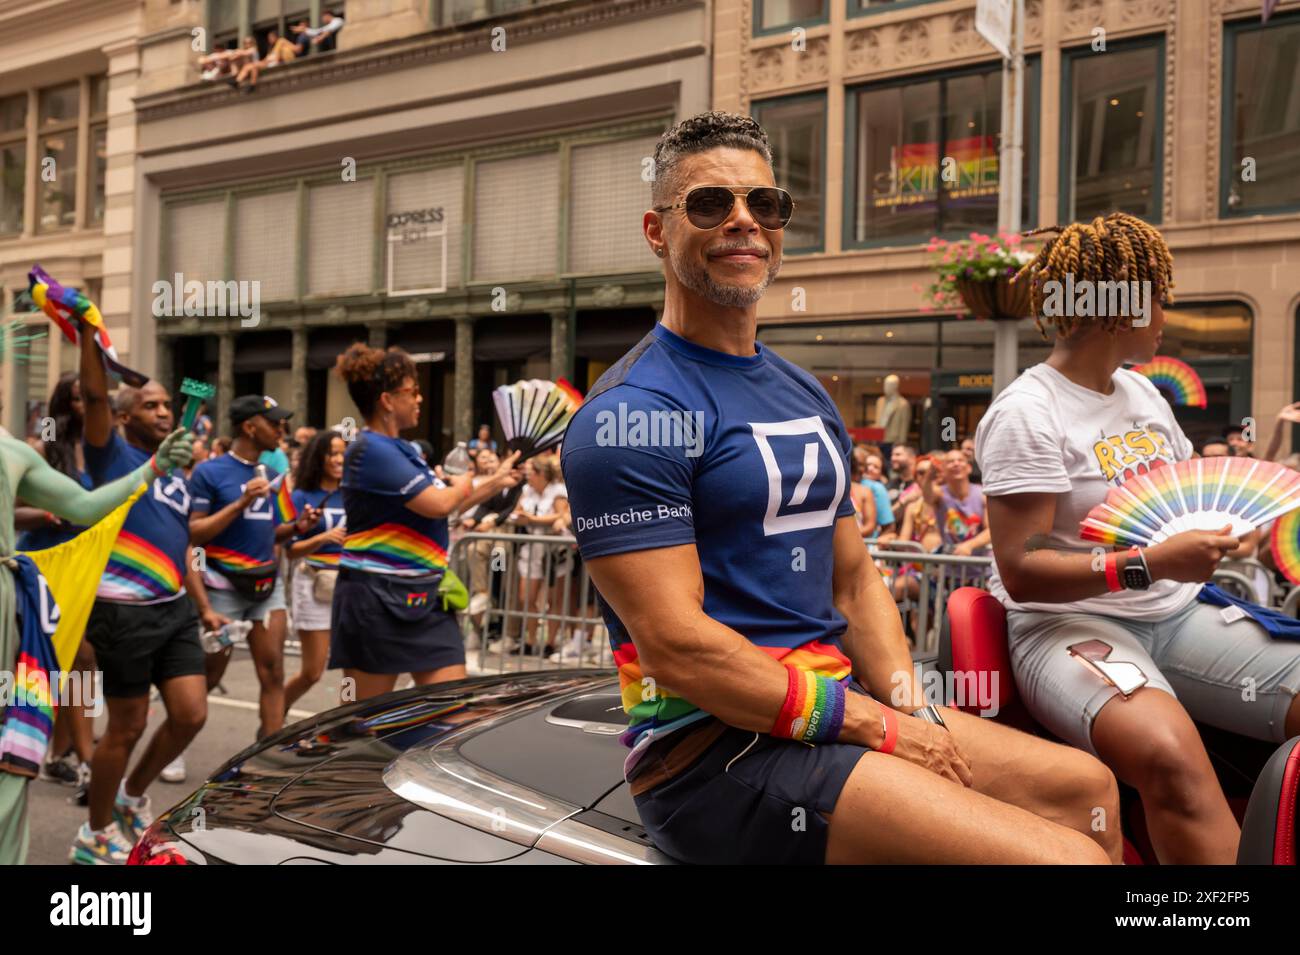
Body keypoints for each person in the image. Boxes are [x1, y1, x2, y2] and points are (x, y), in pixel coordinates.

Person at [559, 110, 1118, 865]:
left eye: (765, 204)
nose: (743, 222)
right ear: (658, 231)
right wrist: (881, 728)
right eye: (709, 204)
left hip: (839, 710)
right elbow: (678, 647)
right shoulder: (628, 415)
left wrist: (911, 704)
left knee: (1087, 791)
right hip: (715, 752)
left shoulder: (804, 393)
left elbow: (853, 580)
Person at [976, 211, 1300, 864]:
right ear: (1123, 307)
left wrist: (1239, 524)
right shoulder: (1026, 412)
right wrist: (1149, 563)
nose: (1166, 317)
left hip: (1176, 613)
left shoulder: (1145, 395)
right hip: (1066, 628)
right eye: (1160, 300)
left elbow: (1183, 503)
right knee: (1169, 756)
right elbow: (1022, 567)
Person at [68, 329, 211, 865]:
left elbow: (186, 536)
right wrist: (86, 335)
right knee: (126, 727)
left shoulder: (177, 471)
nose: (163, 411)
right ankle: (94, 832)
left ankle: (130, 799)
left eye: (167, 404)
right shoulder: (112, 456)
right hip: (121, 614)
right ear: (124, 417)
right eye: (149, 404)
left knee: (192, 714)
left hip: (172, 609)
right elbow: (96, 394)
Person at [331, 343, 521, 701]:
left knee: (452, 713)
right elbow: (440, 502)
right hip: (376, 598)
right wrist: (465, 479)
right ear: (387, 400)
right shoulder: (369, 449)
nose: (419, 398)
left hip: (427, 596)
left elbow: (445, 505)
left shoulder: (406, 451)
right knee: (363, 725)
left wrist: (497, 480)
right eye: (412, 391)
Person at [188, 396, 319, 740]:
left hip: (266, 585)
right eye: (273, 423)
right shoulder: (209, 472)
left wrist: (299, 526)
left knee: (273, 671)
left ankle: (268, 757)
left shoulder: (275, 476)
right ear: (249, 427)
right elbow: (194, 532)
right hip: (221, 587)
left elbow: (274, 530)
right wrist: (241, 502)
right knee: (211, 672)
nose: (281, 430)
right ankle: (178, 740)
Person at [13, 374, 95, 794]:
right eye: (79, 399)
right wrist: (50, 514)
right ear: (64, 404)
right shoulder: (43, 443)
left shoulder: (100, 450)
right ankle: (87, 764)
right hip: (45, 568)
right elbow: (11, 512)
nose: (87, 405)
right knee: (78, 662)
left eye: (92, 399)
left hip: (87, 569)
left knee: (74, 667)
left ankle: (58, 754)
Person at [285, 430, 346, 711]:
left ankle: (349, 729)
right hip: (313, 584)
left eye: (343, 452)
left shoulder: (353, 494)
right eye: (332, 453)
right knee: (312, 672)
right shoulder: (302, 496)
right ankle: (274, 716)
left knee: (354, 668)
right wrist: (324, 537)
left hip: (349, 585)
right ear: (318, 457)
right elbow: (290, 550)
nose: (339, 459)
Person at [504, 456, 571, 657]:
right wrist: (519, 518)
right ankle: (530, 640)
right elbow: (516, 513)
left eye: (530, 472)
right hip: (531, 547)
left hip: (554, 550)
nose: (527, 476)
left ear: (541, 474)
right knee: (527, 597)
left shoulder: (557, 491)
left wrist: (531, 519)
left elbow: (561, 516)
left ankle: (550, 642)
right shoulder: (527, 491)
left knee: (554, 599)